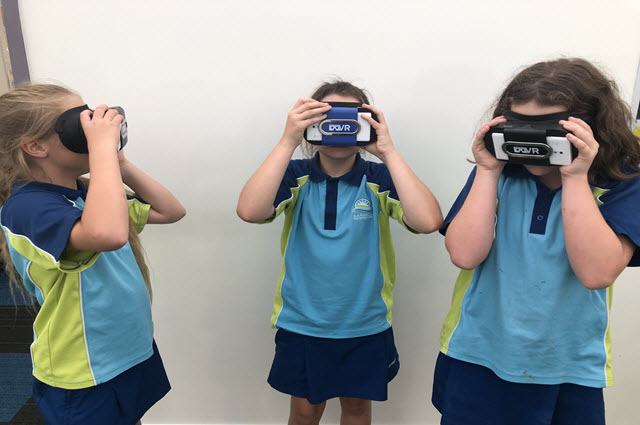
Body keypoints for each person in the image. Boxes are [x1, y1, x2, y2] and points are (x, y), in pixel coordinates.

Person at [433, 58, 640, 425]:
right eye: (519, 127)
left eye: (546, 130)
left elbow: (596, 273)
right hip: (479, 353)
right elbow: (464, 254)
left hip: (569, 364)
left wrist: (575, 177)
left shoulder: (622, 182)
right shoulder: (496, 175)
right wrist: (487, 169)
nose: (530, 142)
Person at [237, 80, 443, 425]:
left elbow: (428, 221)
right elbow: (250, 210)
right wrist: (289, 140)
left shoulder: (378, 178)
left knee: (358, 409)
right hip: (302, 321)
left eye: (352, 119)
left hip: (364, 323)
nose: (339, 127)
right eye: (326, 117)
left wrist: (388, 152)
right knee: (304, 412)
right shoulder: (295, 176)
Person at [0, 83, 186, 425]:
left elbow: (170, 210)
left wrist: (120, 163)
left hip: (126, 350)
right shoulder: (26, 207)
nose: (93, 128)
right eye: (78, 124)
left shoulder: (89, 192)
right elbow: (109, 234)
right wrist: (101, 152)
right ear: (35, 146)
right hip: (81, 366)